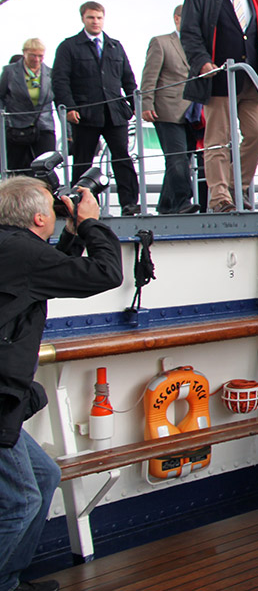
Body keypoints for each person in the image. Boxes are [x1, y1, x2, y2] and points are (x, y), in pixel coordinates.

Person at [0, 176, 123, 591]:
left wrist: (71, 235)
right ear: (39, 217)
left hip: (5, 398)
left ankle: (10, 580)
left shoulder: (13, 250)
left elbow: (46, 272)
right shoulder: (20, 254)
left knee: (44, 476)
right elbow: (106, 273)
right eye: (51, 211)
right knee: (21, 502)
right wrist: (90, 224)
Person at [180, 0, 258, 213]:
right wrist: (202, 62)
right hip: (218, 78)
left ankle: (237, 187)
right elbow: (189, 32)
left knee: (257, 135)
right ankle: (220, 198)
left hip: (251, 78)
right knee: (218, 140)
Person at [50, 2, 140, 215]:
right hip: (85, 113)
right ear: (83, 18)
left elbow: (128, 78)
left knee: (122, 158)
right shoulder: (69, 47)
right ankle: (82, 203)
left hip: (114, 113)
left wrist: (135, 105)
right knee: (83, 161)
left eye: (99, 17)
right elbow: (60, 80)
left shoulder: (114, 46)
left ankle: (129, 203)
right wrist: (69, 108)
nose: (95, 21)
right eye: (91, 17)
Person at [141, 6, 200, 214]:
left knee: (185, 157)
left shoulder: (199, 46)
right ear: (177, 19)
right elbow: (150, 76)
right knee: (176, 157)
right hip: (167, 109)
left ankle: (165, 204)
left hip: (194, 112)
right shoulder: (161, 42)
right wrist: (146, 104)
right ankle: (182, 201)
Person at [0, 41, 56, 176]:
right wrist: (5, 120)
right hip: (17, 127)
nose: (36, 60)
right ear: (24, 53)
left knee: (47, 167)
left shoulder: (50, 74)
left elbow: (60, 101)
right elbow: (1, 96)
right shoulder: (10, 72)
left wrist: (69, 133)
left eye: (40, 56)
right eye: (32, 56)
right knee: (16, 169)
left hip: (44, 126)